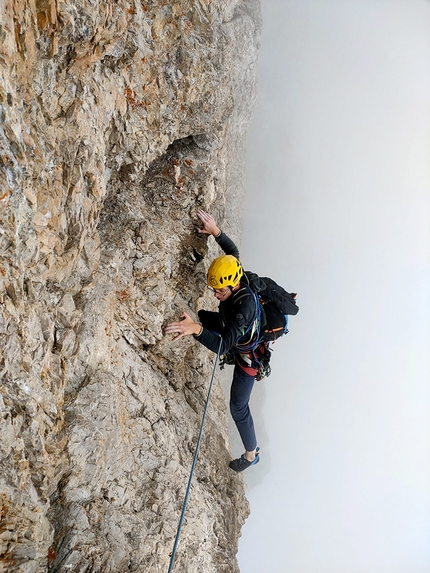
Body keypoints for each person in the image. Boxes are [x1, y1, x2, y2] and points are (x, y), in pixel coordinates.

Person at [164, 209, 265, 472]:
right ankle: (197, 321)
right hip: (229, 326)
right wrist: (215, 230)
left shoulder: (243, 311)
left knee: (237, 407)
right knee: (200, 315)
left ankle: (252, 454)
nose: (216, 294)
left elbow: (223, 345)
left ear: (232, 286)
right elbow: (233, 253)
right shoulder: (236, 273)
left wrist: (195, 330)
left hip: (249, 354)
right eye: (214, 289)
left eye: (219, 290)